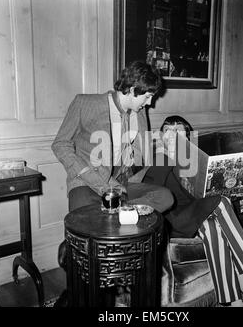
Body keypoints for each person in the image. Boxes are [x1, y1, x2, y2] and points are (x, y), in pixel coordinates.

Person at [51, 61, 174, 306]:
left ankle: (98, 237)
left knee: (165, 198)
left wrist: (163, 147)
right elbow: (60, 144)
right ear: (132, 90)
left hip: (120, 186)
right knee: (92, 227)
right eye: (148, 96)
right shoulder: (85, 103)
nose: (150, 103)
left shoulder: (139, 113)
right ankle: (88, 269)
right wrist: (96, 179)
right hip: (86, 183)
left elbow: (139, 158)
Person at [142, 115, 243, 307]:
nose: (173, 136)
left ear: (188, 141)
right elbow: (149, 192)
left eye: (179, 133)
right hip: (173, 220)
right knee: (219, 204)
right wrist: (168, 156)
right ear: (161, 136)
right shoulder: (158, 159)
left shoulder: (196, 162)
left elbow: (209, 200)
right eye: (168, 131)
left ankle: (235, 303)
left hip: (199, 216)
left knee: (213, 229)